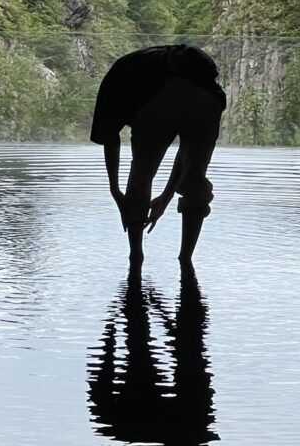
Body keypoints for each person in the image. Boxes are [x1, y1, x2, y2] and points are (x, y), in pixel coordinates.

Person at [90, 44, 226, 279]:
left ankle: (136, 256)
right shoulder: (126, 78)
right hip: (208, 98)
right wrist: (167, 195)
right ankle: (186, 259)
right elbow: (186, 152)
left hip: (163, 95)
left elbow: (110, 139)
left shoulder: (115, 87)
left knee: (141, 176)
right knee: (195, 181)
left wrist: (117, 192)